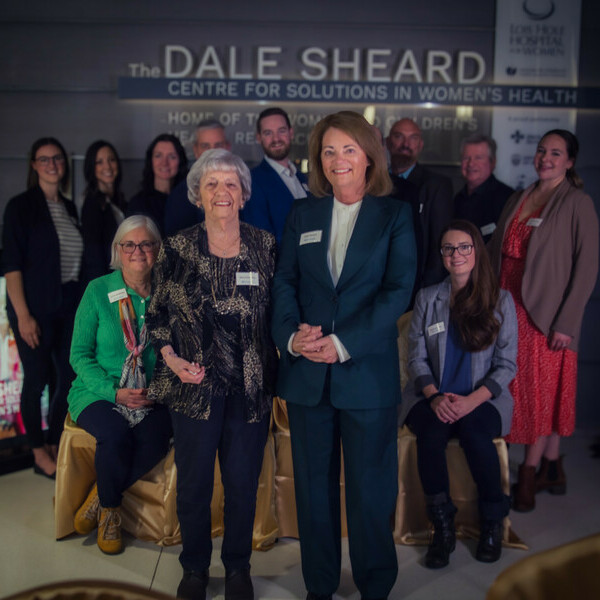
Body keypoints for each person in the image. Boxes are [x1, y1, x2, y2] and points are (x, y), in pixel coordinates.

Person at [272, 111, 416, 600]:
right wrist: (292, 338)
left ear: (369, 155)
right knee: (313, 492)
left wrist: (342, 342)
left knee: (369, 492)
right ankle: (320, 586)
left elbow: (398, 292)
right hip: (308, 376)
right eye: (329, 151)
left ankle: (376, 586)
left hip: (366, 375)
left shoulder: (394, 216)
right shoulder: (302, 215)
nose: (338, 160)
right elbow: (285, 283)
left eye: (348, 149)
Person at [146, 149, 277, 600]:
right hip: (194, 388)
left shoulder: (265, 246)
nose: (222, 192)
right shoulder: (177, 247)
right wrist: (170, 357)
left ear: (243, 194)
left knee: (242, 484)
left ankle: (238, 568)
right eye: (212, 184)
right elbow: (156, 316)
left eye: (230, 184)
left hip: (250, 387)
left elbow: (281, 313)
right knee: (196, 485)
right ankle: (195, 569)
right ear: (198, 195)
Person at [489, 129, 599, 512]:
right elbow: (496, 248)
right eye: (541, 151)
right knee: (518, 393)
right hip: (507, 308)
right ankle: (553, 466)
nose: (546, 158)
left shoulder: (577, 203)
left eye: (556, 153)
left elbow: (587, 268)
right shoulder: (521, 196)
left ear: (569, 161)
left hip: (547, 317)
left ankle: (530, 474)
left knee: (539, 397)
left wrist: (566, 322)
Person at [399, 220, 517, 568]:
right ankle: (442, 525)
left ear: (476, 251)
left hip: (483, 399)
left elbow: (506, 364)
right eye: (448, 248)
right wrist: (435, 396)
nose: (456, 254)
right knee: (431, 435)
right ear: (442, 255)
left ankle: (492, 520)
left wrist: (470, 401)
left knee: (474, 433)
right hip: (430, 395)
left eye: (464, 246)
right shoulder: (427, 297)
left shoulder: (500, 300)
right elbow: (416, 356)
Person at [66, 215, 171, 555]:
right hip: (98, 391)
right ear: (118, 250)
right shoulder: (98, 290)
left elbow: (176, 351)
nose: (138, 251)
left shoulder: (166, 294)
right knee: (115, 433)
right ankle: (110, 514)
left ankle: (99, 496)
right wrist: (114, 393)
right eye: (129, 244)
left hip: (148, 394)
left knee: (159, 437)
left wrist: (151, 393)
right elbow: (79, 356)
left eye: (146, 244)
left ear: (157, 250)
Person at [2, 137, 83, 478]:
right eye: (44, 159)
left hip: (66, 307)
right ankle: (38, 453)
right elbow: (12, 265)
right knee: (35, 381)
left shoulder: (69, 207)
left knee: (65, 378)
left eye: (58, 159)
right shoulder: (21, 206)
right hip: (32, 309)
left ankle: (54, 441)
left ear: (64, 165)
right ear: (34, 165)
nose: (52, 164)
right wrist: (22, 315)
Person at [386, 118, 454, 292]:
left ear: (421, 145)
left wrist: (426, 295)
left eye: (413, 138)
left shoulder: (436, 186)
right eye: (399, 136)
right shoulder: (376, 184)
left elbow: (439, 245)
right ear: (388, 142)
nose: (406, 144)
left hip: (418, 289)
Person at [241, 107, 308, 243]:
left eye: (281, 131)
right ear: (259, 138)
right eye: (268, 133)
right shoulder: (252, 181)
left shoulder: (303, 178)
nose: (276, 139)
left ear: (291, 133)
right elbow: (261, 241)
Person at [164, 119, 231, 235]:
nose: (212, 152)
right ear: (196, 150)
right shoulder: (181, 194)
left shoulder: (243, 187)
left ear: (227, 147)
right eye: (205, 146)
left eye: (218, 145)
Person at [453, 134, 513, 243]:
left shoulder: (508, 199)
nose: (471, 164)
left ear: (492, 162)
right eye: (466, 158)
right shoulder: (457, 199)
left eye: (478, 158)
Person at [81, 140, 126, 283]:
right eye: (99, 162)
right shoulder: (92, 204)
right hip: (105, 282)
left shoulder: (121, 202)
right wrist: (102, 288)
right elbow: (93, 254)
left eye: (111, 160)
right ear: (91, 167)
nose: (107, 166)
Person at [126, 133, 187, 236]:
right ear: (151, 161)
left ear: (180, 161)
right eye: (158, 156)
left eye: (171, 157)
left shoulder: (190, 202)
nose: (164, 163)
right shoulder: (137, 204)